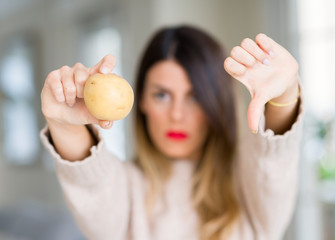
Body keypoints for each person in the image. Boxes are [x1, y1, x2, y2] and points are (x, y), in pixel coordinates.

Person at [40, 25, 303, 240]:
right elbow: (90, 182)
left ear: (217, 103)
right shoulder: (125, 191)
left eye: (195, 97)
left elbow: (273, 163)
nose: (177, 114)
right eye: (162, 95)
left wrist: (285, 95)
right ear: (141, 100)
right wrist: (64, 124)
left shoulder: (247, 183)